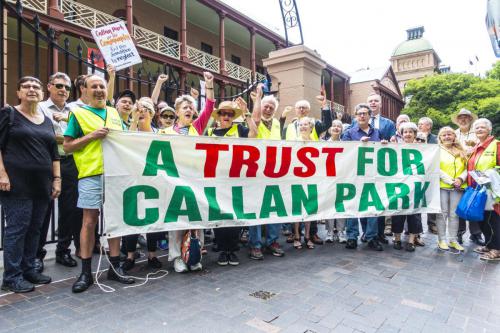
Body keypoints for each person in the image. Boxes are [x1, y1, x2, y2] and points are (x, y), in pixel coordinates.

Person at [63, 75, 135, 293]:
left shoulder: (114, 113)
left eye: (102, 86)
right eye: (93, 86)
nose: (99, 90)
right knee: (89, 221)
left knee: (114, 221)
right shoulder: (78, 113)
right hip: (91, 174)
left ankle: (114, 267)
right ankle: (86, 273)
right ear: (84, 89)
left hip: (115, 175)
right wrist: (91, 136)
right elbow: (67, 146)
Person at [0, 76, 60, 293]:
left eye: (36, 87)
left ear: (42, 93)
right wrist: (2, 174)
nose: (32, 89)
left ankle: (28, 269)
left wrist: (57, 179)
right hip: (17, 184)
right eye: (26, 86)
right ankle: (12, 276)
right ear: (18, 92)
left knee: (35, 229)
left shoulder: (45, 119)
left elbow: (54, 153)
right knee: (17, 229)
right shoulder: (9, 114)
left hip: (42, 185)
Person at [158, 71, 215, 273]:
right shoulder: (164, 132)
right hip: (173, 183)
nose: (189, 109)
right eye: (185, 107)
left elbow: (209, 107)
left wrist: (209, 85)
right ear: (177, 111)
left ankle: (194, 254)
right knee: (176, 222)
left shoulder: (197, 128)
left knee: (195, 221)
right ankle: (176, 257)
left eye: (191, 107)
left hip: (194, 182)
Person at [37, 72, 81, 271]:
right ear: (49, 86)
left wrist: (66, 138)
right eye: (59, 86)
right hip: (46, 162)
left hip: (71, 162)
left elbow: (83, 134)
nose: (63, 90)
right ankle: (37, 254)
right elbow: (43, 135)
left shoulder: (74, 110)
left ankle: (63, 250)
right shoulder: (40, 108)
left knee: (69, 209)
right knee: (43, 209)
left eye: (67, 87)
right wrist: (69, 139)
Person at [208, 95, 258, 266]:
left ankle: (232, 250)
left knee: (235, 215)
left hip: (235, 180)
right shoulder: (209, 132)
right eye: (223, 114)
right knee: (220, 216)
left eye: (230, 114)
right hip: (216, 180)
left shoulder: (240, 130)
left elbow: (254, 133)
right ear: (219, 116)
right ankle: (223, 250)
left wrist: (247, 113)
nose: (227, 117)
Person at [122, 97, 163, 270]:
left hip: (154, 181)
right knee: (132, 218)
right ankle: (130, 256)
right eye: (139, 108)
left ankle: (152, 255)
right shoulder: (130, 129)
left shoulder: (159, 133)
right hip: (132, 180)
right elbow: (126, 142)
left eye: (146, 108)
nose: (142, 110)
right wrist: (134, 119)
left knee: (152, 219)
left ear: (152, 113)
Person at [341, 103, 386, 251]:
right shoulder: (348, 133)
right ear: (355, 116)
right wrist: (357, 145)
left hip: (373, 176)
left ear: (369, 116)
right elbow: (343, 151)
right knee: (352, 206)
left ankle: (371, 237)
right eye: (359, 113)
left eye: (365, 113)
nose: (362, 116)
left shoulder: (377, 133)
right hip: (353, 175)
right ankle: (352, 237)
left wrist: (385, 145)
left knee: (371, 206)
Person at [466, 118, 500, 261]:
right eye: (477, 127)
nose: (479, 129)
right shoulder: (477, 146)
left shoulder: (496, 145)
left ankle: (497, 249)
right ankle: (488, 244)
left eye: (482, 127)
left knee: (493, 219)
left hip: (491, 189)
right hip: (477, 189)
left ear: (489, 129)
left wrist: (491, 173)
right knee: (483, 218)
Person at [452, 108, 483, 245]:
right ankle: (459, 233)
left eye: (466, 117)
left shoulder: (477, 133)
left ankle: (476, 234)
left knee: (474, 202)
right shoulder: (453, 133)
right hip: (458, 172)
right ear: (457, 120)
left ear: (470, 119)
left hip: (474, 173)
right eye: (460, 117)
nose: (463, 119)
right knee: (459, 203)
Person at [391, 122, 424, 252]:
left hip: (415, 185)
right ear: (401, 134)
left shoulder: (422, 149)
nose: (408, 134)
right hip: (399, 185)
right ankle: (397, 238)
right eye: (405, 132)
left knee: (414, 214)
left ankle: (411, 241)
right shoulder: (394, 147)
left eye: (411, 132)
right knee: (398, 212)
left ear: (415, 134)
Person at [436, 127, 466, 251]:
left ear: (454, 136)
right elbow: (436, 168)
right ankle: (441, 240)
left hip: (458, 187)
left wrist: (460, 179)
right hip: (442, 186)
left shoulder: (461, 150)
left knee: (454, 214)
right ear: (440, 138)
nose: (447, 137)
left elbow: (467, 167)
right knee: (441, 213)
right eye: (444, 135)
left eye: (449, 134)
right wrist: (450, 181)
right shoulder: (436, 150)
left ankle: (453, 240)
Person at [292, 116, 316, 250]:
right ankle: (296, 236)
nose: (303, 127)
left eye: (306, 124)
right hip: (297, 179)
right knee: (297, 209)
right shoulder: (294, 141)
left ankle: (307, 236)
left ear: (311, 127)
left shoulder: (316, 143)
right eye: (300, 124)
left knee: (309, 208)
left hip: (311, 180)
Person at [324, 120, 346, 244]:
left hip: (342, 178)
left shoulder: (347, 145)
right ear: (329, 129)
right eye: (334, 126)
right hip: (328, 179)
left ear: (341, 130)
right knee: (329, 205)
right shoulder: (324, 144)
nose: (336, 128)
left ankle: (341, 231)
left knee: (341, 205)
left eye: (339, 126)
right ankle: (330, 231)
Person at [418, 116, 438, 236]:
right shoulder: (415, 138)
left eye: (422, 124)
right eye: (419, 124)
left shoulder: (436, 139)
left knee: (431, 198)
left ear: (429, 126)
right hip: (419, 173)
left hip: (431, 172)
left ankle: (432, 223)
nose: (419, 126)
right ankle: (418, 227)